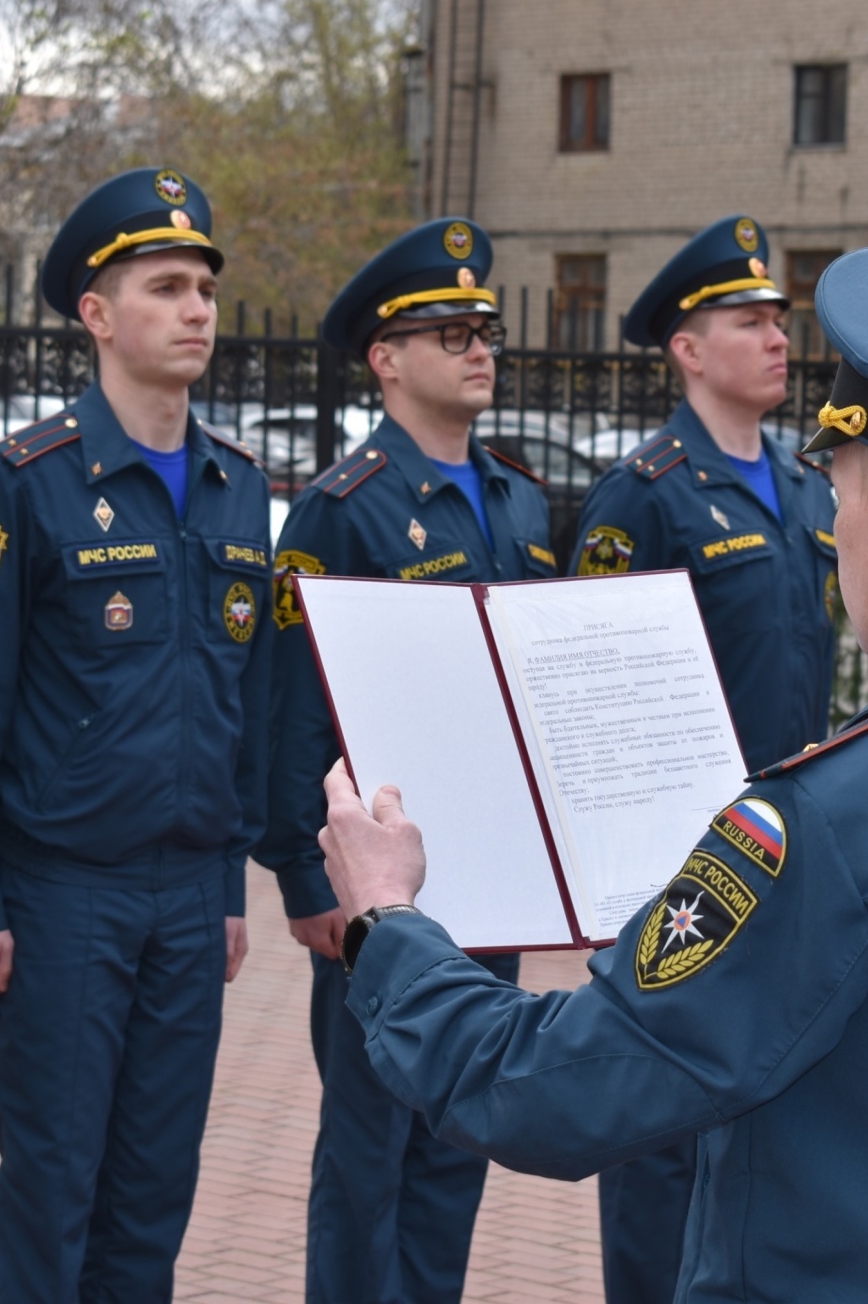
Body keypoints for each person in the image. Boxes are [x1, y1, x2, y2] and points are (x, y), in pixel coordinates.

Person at [314, 246, 868, 1303]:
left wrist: (386, 922)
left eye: (834, 496)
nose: (831, 534)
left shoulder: (828, 821)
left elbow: (552, 1092)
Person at [0, 166, 271, 1303]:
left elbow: (235, 707)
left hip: (184, 897)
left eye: (204, 288)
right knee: (51, 1191)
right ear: (96, 314)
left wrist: (224, 883)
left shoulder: (234, 488)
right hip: (62, 894)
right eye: (165, 287)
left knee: (153, 1196)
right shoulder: (24, 483)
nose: (196, 311)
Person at [257, 217, 555, 1304]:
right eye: (447, 333)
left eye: (484, 328)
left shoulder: (519, 500)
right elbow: (289, 710)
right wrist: (303, 880)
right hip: (382, 891)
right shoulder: (340, 511)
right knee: (367, 1152)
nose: (478, 346)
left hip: (496, 882)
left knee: (454, 1147)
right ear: (385, 360)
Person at [573, 216, 839, 1303]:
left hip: (788, 845)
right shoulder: (643, 493)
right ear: (686, 349)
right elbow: (587, 683)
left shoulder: (807, 484)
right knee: (658, 1130)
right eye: (747, 320)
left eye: (779, 318)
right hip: (676, 863)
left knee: (771, 1117)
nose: (777, 337)